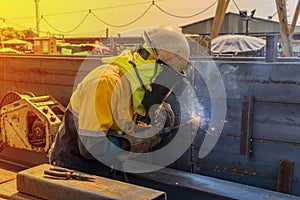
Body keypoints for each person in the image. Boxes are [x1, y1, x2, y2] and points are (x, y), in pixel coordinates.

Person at [48, 26, 191, 177]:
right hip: (74, 166)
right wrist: (136, 142)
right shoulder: (105, 82)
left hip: (108, 164)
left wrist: (161, 112)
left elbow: (142, 109)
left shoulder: (137, 86)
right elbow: (92, 148)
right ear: (156, 66)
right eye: (167, 80)